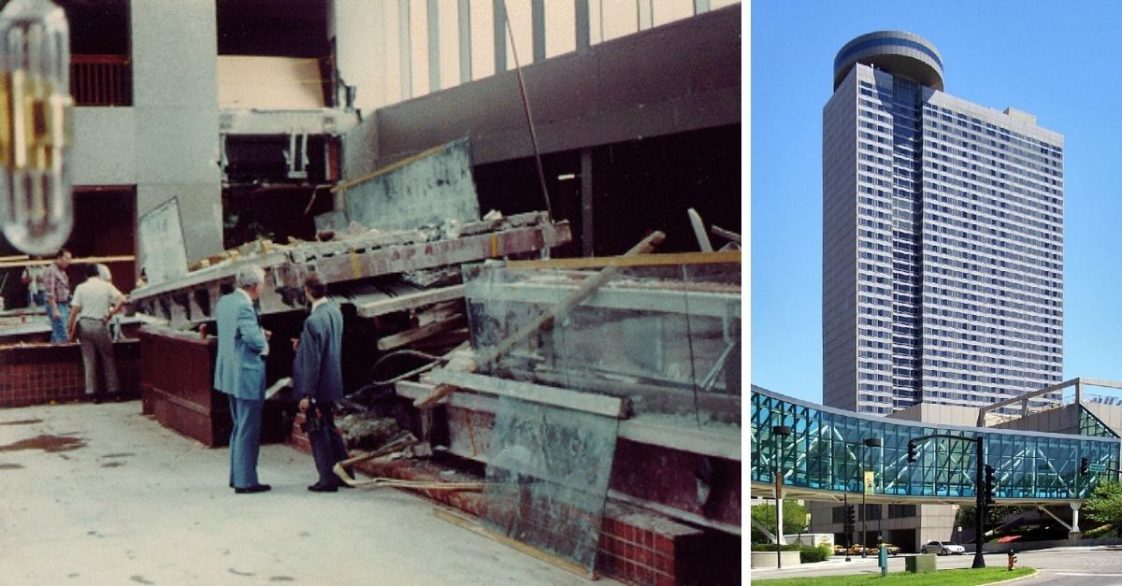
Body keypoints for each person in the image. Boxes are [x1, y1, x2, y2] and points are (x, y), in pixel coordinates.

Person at [214, 265, 272, 494]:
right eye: (263, 284)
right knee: (249, 427)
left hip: (229, 372)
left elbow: (235, 333)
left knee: (239, 425)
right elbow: (252, 340)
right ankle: (246, 481)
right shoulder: (245, 307)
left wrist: (257, 332)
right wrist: (263, 341)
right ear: (254, 286)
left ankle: (237, 475)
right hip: (246, 373)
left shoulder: (225, 302)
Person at [292, 272, 349, 492]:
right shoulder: (335, 312)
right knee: (330, 428)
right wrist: (303, 346)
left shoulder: (313, 321)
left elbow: (314, 361)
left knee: (318, 431)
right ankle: (345, 473)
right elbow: (325, 346)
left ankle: (327, 479)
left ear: (307, 291)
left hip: (317, 386)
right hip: (333, 381)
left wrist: (307, 394)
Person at [66, 263, 126, 404]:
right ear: (98, 273)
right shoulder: (106, 286)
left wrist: (69, 328)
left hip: (84, 324)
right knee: (108, 358)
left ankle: (92, 393)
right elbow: (122, 299)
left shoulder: (80, 288)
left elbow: (74, 311)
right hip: (100, 324)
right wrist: (111, 312)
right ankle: (114, 392)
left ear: (86, 275)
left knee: (89, 359)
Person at [42, 248, 72, 343]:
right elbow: (50, 292)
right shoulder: (51, 271)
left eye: (70, 259)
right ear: (59, 258)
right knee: (62, 333)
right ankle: (63, 354)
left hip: (64, 304)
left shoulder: (62, 272)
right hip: (56, 305)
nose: (68, 261)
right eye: (66, 258)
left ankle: (52, 354)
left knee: (58, 332)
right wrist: (54, 309)